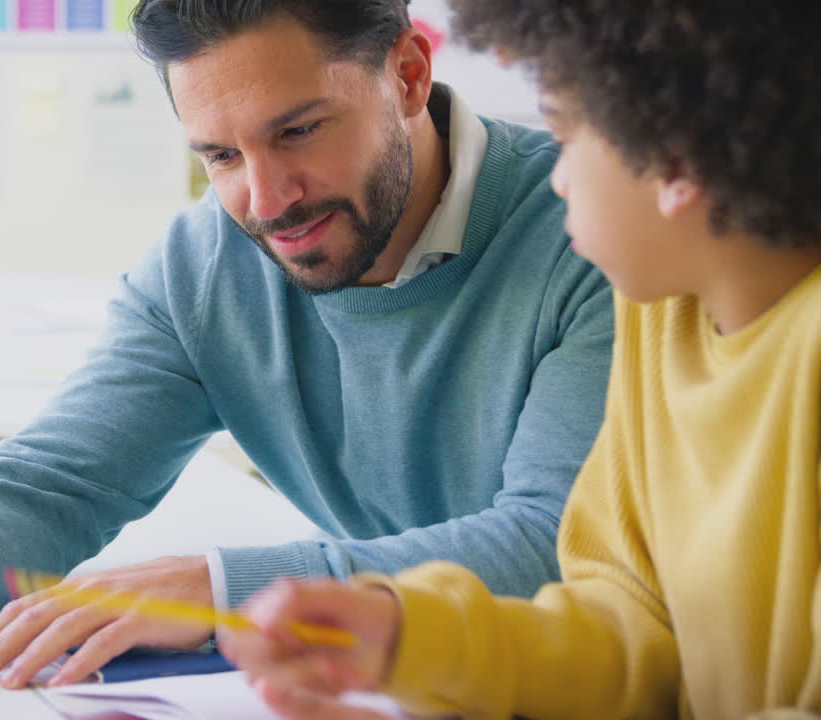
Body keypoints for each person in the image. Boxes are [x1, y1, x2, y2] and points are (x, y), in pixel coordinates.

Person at [0, 0, 613, 688]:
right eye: (219, 156)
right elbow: (59, 481)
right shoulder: (204, 261)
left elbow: (554, 547)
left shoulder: (597, 237)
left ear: (409, 75)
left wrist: (213, 588)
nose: (267, 198)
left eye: (298, 131)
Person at [220, 0, 821, 717]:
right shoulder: (661, 307)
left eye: (565, 136)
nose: (556, 176)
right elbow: (632, 629)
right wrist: (411, 637)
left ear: (676, 157)